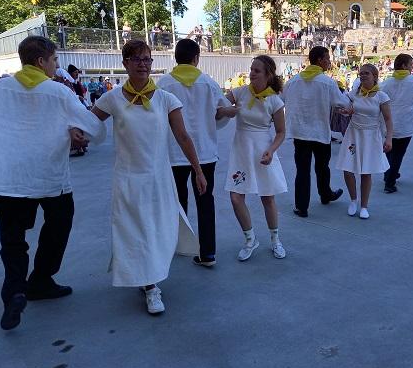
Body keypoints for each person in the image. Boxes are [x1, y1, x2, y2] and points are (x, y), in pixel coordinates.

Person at [0, 36, 106, 330]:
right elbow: (94, 127)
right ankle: (41, 279)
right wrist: (77, 131)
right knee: (59, 223)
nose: (56, 66)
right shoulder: (58, 92)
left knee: (12, 239)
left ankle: (15, 291)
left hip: (8, 179)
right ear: (41, 61)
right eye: (54, 60)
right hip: (49, 176)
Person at [92, 39, 203, 315]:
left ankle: (145, 275)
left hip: (158, 179)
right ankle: (151, 287)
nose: (143, 64)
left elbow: (183, 136)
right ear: (125, 63)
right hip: (127, 179)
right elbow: (89, 123)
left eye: (147, 59)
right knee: (135, 230)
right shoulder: (112, 98)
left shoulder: (166, 99)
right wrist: (73, 131)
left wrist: (198, 170)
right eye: (136, 59)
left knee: (156, 230)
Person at [158, 38, 236, 267]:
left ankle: (178, 244)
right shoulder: (209, 83)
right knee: (205, 201)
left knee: (176, 201)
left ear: (176, 58)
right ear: (196, 58)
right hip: (205, 152)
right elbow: (222, 112)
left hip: (174, 152)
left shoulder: (163, 84)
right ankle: (208, 253)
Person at [224, 55, 287, 260]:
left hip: (263, 151)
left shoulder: (275, 101)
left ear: (268, 75)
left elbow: (281, 132)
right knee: (235, 197)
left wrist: (272, 150)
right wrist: (225, 110)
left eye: (257, 71)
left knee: (267, 197)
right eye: (251, 69)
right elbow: (217, 108)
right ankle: (250, 239)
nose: (251, 73)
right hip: (241, 150)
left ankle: (275, 240)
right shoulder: (239, 92)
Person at [282, 46, 350, 217]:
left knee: (302, 169)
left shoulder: (293, 81)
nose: (329, 62)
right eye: (327, 58)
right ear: (320, 60)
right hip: (320, 131)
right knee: (322, 166)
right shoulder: (327, 82)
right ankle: (325, 194)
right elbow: (342, 103)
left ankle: (301, 206)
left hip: (299, 131)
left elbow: (281, 100)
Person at [335, 64, 392, 219]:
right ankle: (353, 200)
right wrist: (346, 111)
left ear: (375, 76)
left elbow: (388, 119)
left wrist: (388, 138)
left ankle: (364, 206)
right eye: (361, 73)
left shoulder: (381, 96)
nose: (363, 76)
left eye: (366, 73)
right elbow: (345, 108)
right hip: (353, 134)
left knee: (366, 171)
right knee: (347, 168)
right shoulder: (353, 94)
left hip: (371, 136)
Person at [379, 54, 413, 193]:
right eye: (410, 65)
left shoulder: (386, 82)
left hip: (387, 124)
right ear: (404, 65)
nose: (412, 68)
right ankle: (390, 182)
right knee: (398, 154)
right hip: (405, 124)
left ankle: (389, 173)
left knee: (389, 151)